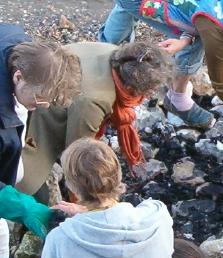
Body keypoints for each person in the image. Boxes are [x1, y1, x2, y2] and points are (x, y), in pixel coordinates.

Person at [98, 0, 223, 152]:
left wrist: (183, 39)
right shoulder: (215, 29)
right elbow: (222, 85)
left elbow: (198, 11)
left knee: (126, 10)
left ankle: (106, 42)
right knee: (197, 43)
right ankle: (177, 100)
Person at [17, 41, 172, 202]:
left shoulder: (117, 54)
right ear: (133, 89)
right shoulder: (96, 100)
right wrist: (82, 204)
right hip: (35, 117)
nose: (148, 96)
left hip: (42, 88)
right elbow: (76, 154)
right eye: (149, 91)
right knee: (32, 192)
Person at [32, 137, 179, 258]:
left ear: (72, 186)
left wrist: (86, 214)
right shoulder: (157, 216)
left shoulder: (60, 241)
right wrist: (88, 213)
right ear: (118, 174)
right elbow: (113, 222)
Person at [0, 23, 81, 258]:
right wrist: (22, 207)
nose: (43, 106)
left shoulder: (15, 43)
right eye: (39, 98)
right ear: (18, 77)